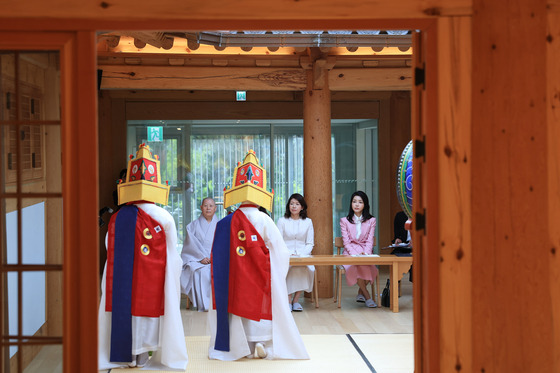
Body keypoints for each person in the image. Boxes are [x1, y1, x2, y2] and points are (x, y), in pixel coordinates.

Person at [208, 150, 309, 361]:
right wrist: (277, 273)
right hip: (261, 272)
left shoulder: (226, 222)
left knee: (237, 310)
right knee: (262, 308)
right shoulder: (264, 219)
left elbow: (218, 253)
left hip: (236, 274)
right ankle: (262, 343)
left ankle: (240, 345)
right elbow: (280, 250)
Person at [98, 144, 188, 371]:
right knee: (148, 315)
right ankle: (143, 356)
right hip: (153, 277)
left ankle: (125, 355)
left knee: (126, 311)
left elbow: (109, 246)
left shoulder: (117, 217)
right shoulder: (164, 216)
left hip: (123, 279)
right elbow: (172, 252)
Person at [339, 190, 378, 308]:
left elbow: (369, 240)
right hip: (350, 252)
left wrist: (365, 253)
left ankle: (360, 292)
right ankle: (367, 296)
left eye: (360, 202)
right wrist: (356, 254)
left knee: (369, 266)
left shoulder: (371, 220)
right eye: (354, 201)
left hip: (365, 251)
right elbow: (346, 242)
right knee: (356, 265)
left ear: (365, 204)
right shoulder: (344, 221)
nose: (356, 204)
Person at [277, 193, 314, 312]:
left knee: (304, 268)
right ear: (288, 206)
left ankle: (296, 300)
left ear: (302, 207)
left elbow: (310, 243)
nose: (294, 206)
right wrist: (287, 254)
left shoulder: (308, 222)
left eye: (297, 204)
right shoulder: (282, 221)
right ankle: (288, 300)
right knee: (289, 268)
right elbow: (279, 241)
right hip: (285, 254)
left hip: (303, 254)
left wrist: (301, 255)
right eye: (292, 204)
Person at [180, 197, 218, 311]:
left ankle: (216, 304)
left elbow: (223, 245)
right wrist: (200, 258)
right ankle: (203, 304)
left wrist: (213, 257)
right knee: (198, 271)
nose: (208, 208)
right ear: (201, 208)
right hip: (197, 259)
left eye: (211, 206)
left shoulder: (221, 225)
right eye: (205, 205)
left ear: (215, 209)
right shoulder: (193, 226)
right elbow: (190, 246)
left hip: (215, 260)